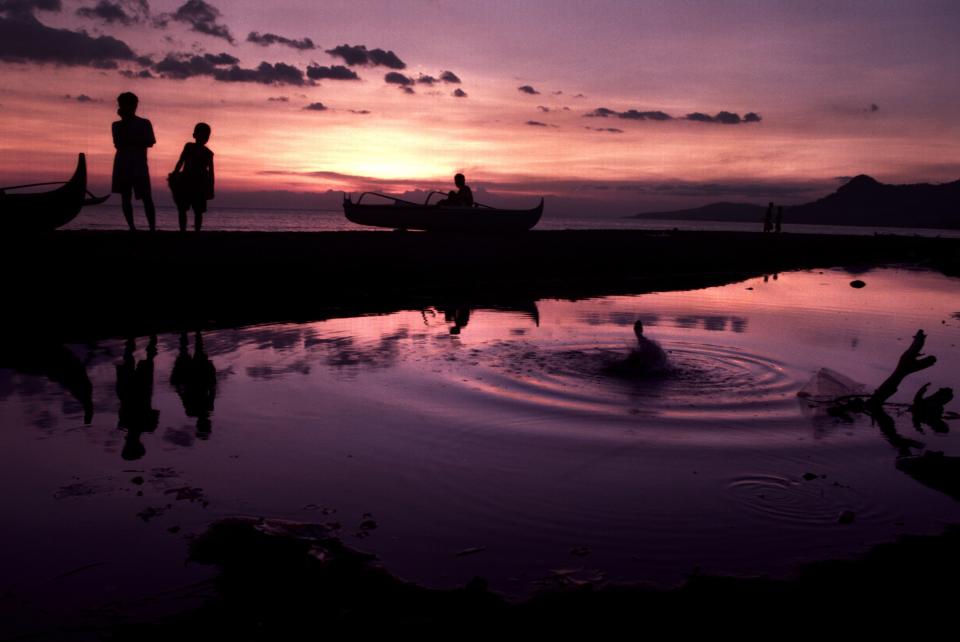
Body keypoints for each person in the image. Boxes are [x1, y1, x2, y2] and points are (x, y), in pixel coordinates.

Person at [111, 92, 157, 231]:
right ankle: (132, 227)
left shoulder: (144, 123)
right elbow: (118, 143)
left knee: (146, 197)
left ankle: (152, 228)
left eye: (134, 104)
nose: (133, 107)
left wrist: (132, 141)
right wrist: (135, 139)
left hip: (139, 165)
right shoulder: (117, 125)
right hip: (123, 165)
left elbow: (150, 141)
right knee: (126, 197)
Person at [169, 123, 215, 232]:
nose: (204, 138)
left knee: (197, 211)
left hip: (200, 184)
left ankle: (196, 231)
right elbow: (180, 161)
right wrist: (175, 173)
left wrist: (211, 188)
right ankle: (183, 230)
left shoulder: (209, 153)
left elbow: (211, 173)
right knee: (183, 208)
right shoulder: (189, 147)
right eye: (202, 135)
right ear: (194, 135)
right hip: (186, 181)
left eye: (206, 136)